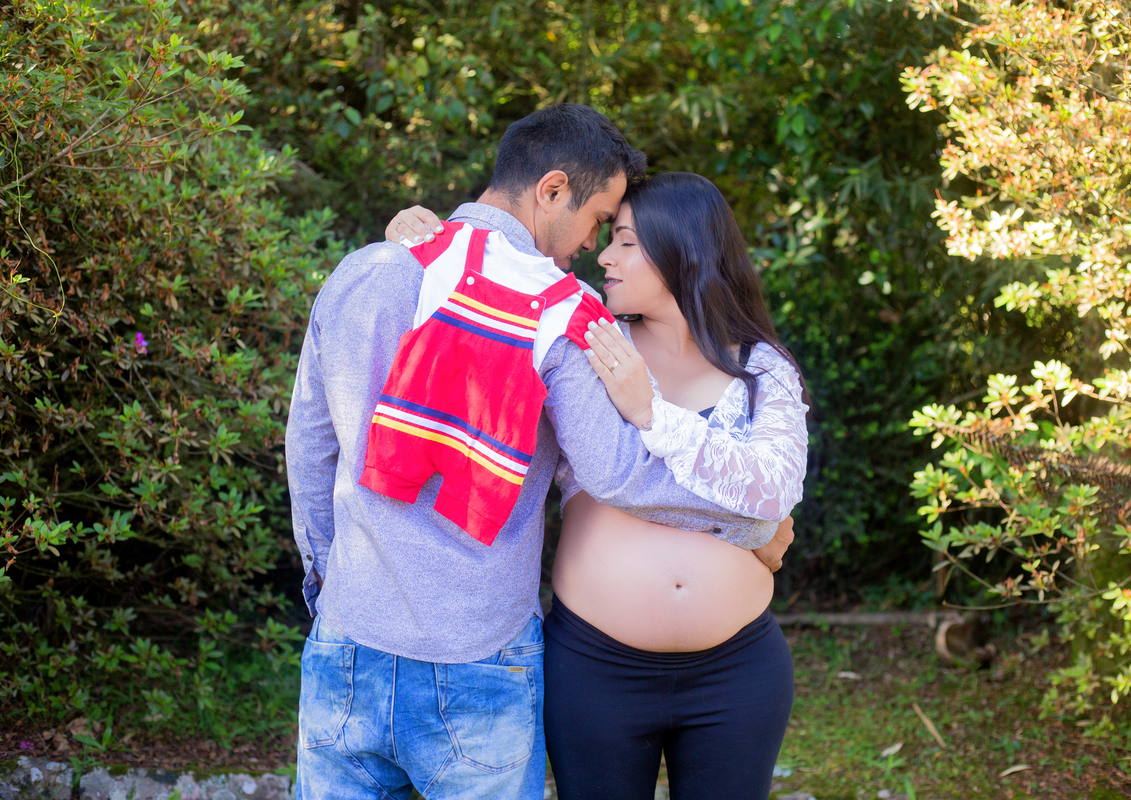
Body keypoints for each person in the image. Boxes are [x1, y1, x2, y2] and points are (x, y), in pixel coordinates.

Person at [285, 105, 789, 800]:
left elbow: (311, 449)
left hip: (347, 639)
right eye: (597, 220)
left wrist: (326, 587)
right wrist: (751, 528)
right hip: (479, 657)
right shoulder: (558, 309)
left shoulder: (365, 271)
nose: (592, 246)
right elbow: (617, 472)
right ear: (552, 191)